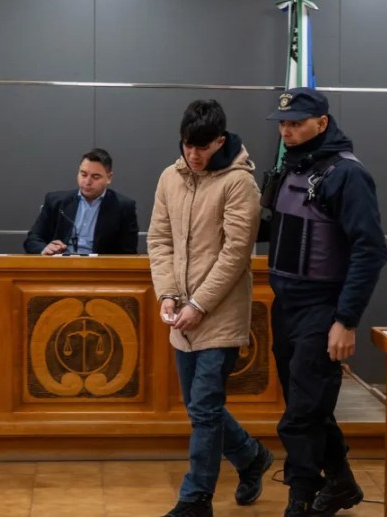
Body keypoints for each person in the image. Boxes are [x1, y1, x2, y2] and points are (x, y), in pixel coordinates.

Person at [263, 87, 387, 517]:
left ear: (321, 122)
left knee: (301, 413)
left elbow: (370, 251)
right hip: (285, 306)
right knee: (308, 405)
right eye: (282, 123)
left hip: (322, 307)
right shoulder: (291, 166)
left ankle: (299, 497)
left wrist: (345, 319)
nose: (287, 131)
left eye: (296, 123)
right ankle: (340, 482)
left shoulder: (347, 174)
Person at [148, 99, 273, 517]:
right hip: (181, 314)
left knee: (203, 407)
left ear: (220, 141)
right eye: (187, 145)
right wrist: (167, 294)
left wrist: (200, 304)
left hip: (219, 314)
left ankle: (196, 499)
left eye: (202, 147)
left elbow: (236, 254)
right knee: (201, 406)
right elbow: (159, 240)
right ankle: (251, 456)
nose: (194, 155)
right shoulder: (170, 177)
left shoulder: (239, 183)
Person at [23, 148, 139, 255]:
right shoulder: (56, 202)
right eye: (83, 174)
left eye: (95, 177)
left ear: (109, 178)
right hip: (60, 266)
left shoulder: (123, 207)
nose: (87, 182)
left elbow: (128, 253)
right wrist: (45, 248)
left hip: (99, 268)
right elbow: (33, 240)